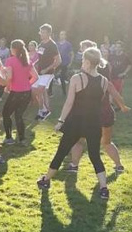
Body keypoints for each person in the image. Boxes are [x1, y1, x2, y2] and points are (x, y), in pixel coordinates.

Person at [37, 47, 110, 199]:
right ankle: (104, 188)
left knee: (61, 152)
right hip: (94, 123)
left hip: (76, 123)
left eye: (83, 60)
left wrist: (60, 121)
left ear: (88, 62)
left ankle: (46, 180)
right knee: (95, 155)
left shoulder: (77, 78)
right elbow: (100, 101)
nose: (82, 63)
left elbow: (69, 103)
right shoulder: (104, 81)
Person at [68, 40, 130, 174]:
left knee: (78, 141)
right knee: (107, 142)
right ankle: (118, 166)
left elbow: (73, 98)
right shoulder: (105, 75)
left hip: (88, 114)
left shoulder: (82, 77)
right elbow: (113, 90)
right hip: (105, 111)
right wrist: (122, 106)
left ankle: (74, 166)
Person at [2, 40, 39, 144]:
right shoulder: (27, 61)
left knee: (6, 113)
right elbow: (36, 77)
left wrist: (7, 86)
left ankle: (9, 138)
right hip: (26, 93)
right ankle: (22, 139)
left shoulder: (10, 60)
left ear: (14, 49)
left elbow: (9, 76)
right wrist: (27, 84)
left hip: (16, 92)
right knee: (18, 115)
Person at [32, 24, 61, 121]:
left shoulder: (52, 45)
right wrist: (33, 64)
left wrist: (47, 69)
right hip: (39, 72)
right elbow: (40, 59)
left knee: (39, 90)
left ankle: (43, 110)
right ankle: (44, 110)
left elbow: (58, 61)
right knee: (35, 91)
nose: (41, 34)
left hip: (48, 73)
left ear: (49, 33)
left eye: (44, 32)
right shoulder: (41, 44)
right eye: (41, 32)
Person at [49, 30, 73, 96]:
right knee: (51, 76)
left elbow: (72, 54)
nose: (61, 36)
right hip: (57, 63)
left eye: (63, 34)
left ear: (65, 36)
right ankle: (50, 92)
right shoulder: (56, 44)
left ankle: (64, 93)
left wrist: (70, 63)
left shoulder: (68, 44)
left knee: (62, 78)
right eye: (60, 34)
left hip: (65, 63)